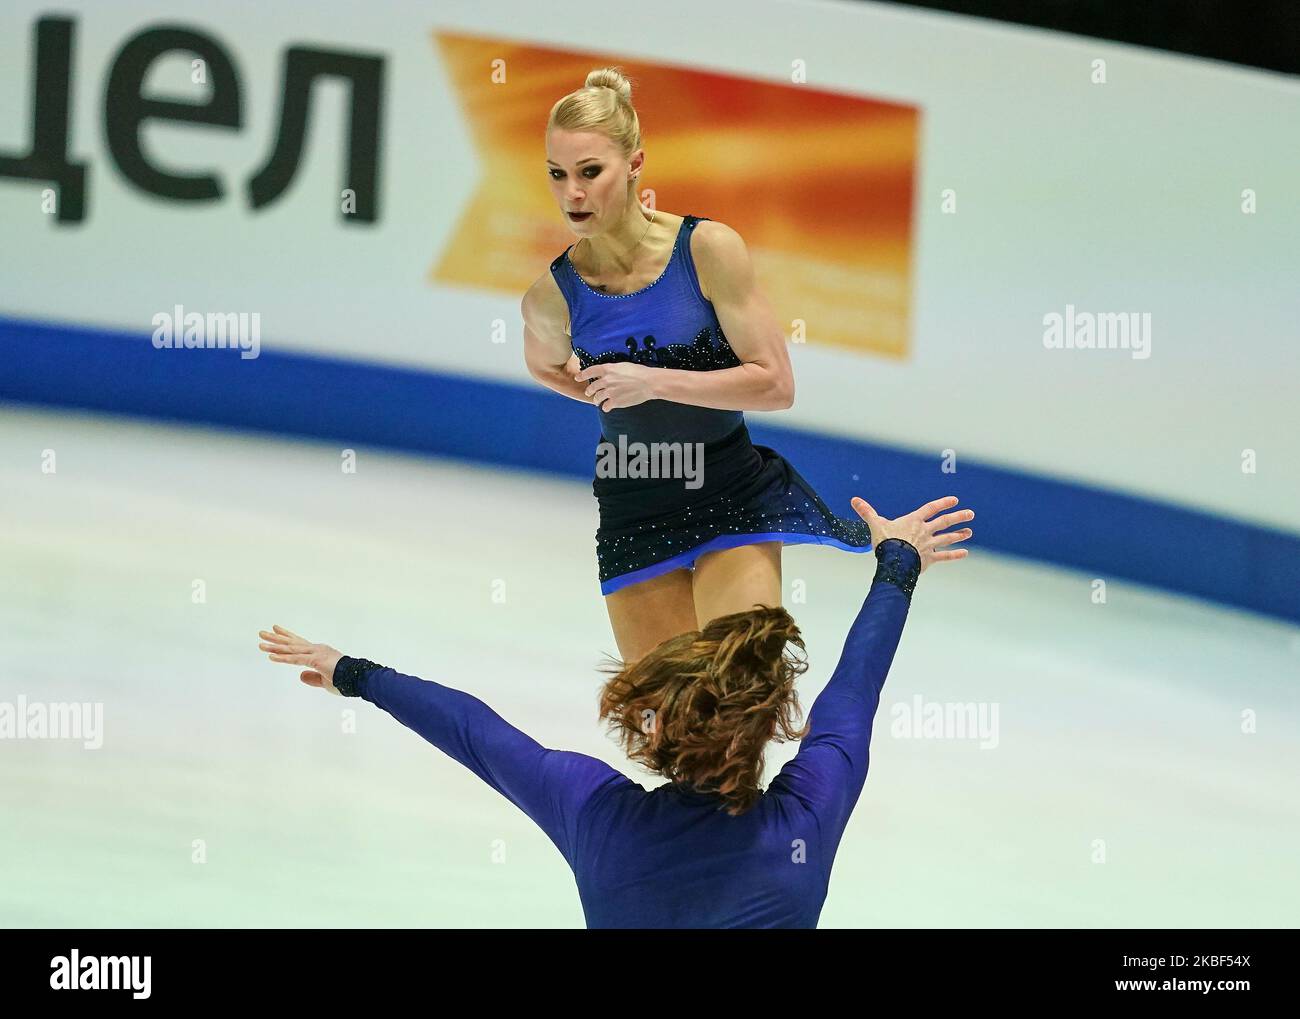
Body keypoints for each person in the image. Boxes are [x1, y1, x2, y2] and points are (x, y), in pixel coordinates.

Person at [257, 494, 974, 928]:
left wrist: (353, 672)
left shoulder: (597, 816)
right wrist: (897, 561)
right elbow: (852, 692)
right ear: (763, 728)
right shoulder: (806, 819)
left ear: (653, 731)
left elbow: (477, 733)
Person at [521, 65, 879, 664]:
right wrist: (601, 393)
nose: (572, 194)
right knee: (672, 727)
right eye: (558, 174)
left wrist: (651, 382)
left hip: (730, 489)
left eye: (590, 172)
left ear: (635, 164)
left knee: (741, 692)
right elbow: (546, 366)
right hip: (633, 501)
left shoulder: (708, 250)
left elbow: (775, 384)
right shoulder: (551, 296)